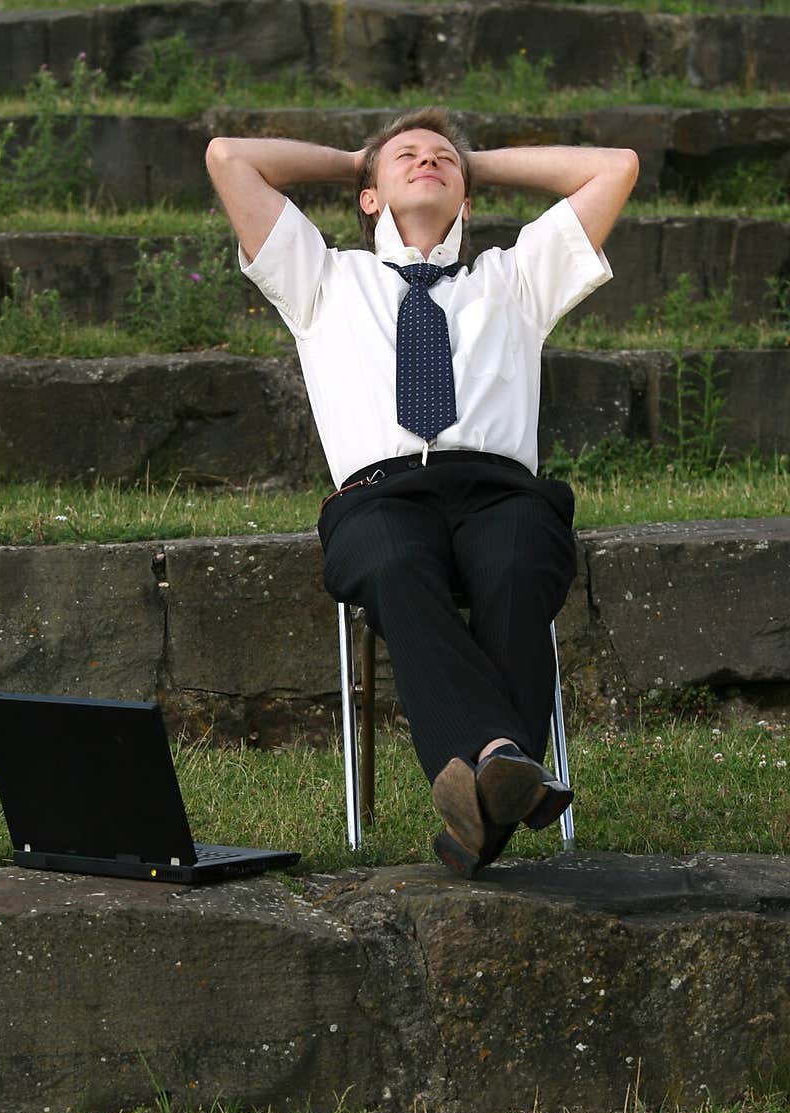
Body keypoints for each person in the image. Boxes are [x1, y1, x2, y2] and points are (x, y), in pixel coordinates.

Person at [205, 108, 638, 877]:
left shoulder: (514, 276)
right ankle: (503, 766)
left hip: (502, 491)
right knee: (397, 566)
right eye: (406, 156)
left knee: (514, 563)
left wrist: (475, 162)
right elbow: (229, 155)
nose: (427, 161)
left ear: (468, 198)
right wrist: (357, 159)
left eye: (444, 159)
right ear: (368, 196)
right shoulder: (323, 278)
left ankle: (485, 789)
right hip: (381, 499)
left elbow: (617, 166)